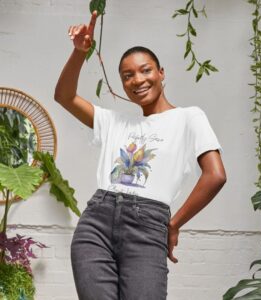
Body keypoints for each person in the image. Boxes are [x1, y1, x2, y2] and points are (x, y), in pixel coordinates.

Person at [54, 10, 226, 300]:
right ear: (123, 84)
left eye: (146, 70)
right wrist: (79, 53)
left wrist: (173, 224)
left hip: (148, 226)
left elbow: (216, 175)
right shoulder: (114, 122)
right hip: (96, 223)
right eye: (128, 76)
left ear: (161, 73)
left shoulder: (189, 118)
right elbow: (64, 96)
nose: (138, 80)